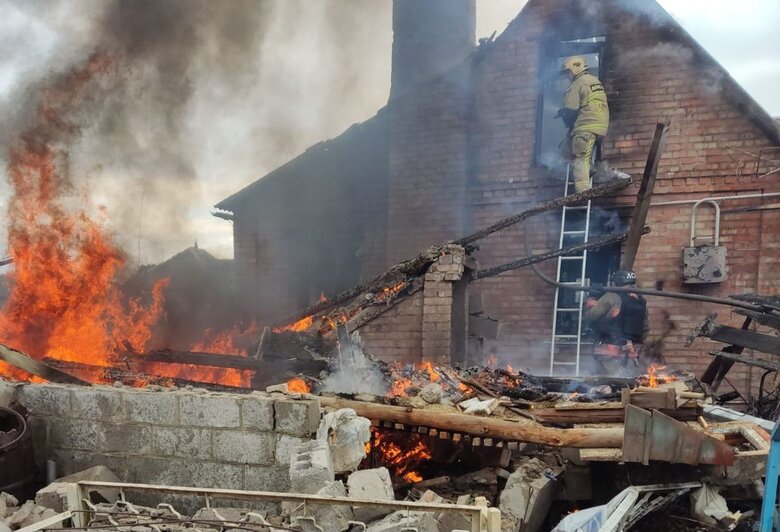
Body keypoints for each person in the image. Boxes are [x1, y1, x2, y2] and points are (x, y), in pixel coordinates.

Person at [556, 55, 610, 194]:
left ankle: (583, 191)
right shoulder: (593, 81)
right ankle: (589, 169)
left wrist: (563, 113)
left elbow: (570, 109)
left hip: (585, 125)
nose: (567, 76)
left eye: (567, 72)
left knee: (580, 157)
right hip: (598, 125)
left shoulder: (577, 83)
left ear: (575, 69)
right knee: (566, 148)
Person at [584, 270, 648, 378]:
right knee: (630, 382)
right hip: (632, 352)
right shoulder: (640, 301)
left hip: (609, 350)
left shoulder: (611, 297)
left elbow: (589, 317)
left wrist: (592, 299)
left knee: (611, 383)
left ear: (617, 282)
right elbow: (645, 328)